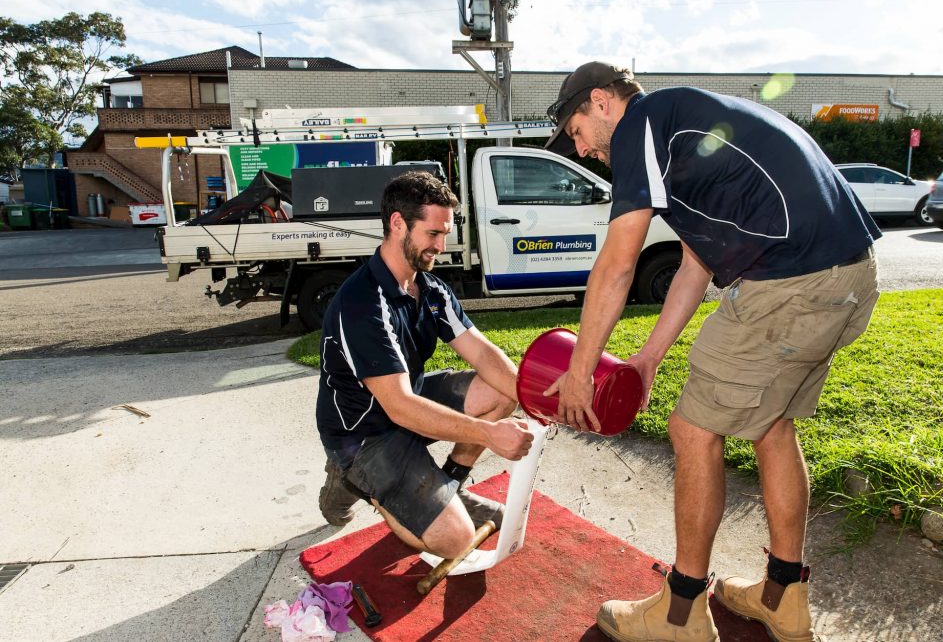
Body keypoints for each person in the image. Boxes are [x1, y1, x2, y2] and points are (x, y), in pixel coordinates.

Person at [543, 62, 880, 642]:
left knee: (693, 430)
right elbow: (695, 266)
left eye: (575, 133)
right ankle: (784, 595)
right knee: (773, 427)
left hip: (791, 286)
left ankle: (680, 613)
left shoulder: (641, 126)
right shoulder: (686, 128)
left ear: (601, 102)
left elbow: (618, 263)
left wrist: (580, 370)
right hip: (848, 279)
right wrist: (647, 358)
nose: (583, 151)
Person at [315, 171, 534, 560]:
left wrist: (531, 398)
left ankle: (449, 485)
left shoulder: (428, 288)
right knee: (455, 541)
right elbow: (398, 407)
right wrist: (488, 434)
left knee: (501, 389)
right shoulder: (362, 304)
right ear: (398, 223)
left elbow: (483, 353)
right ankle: (352, 480)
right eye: (433, 234)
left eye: (445, 233)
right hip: (366, 434)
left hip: (408, 403)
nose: (442, 245)